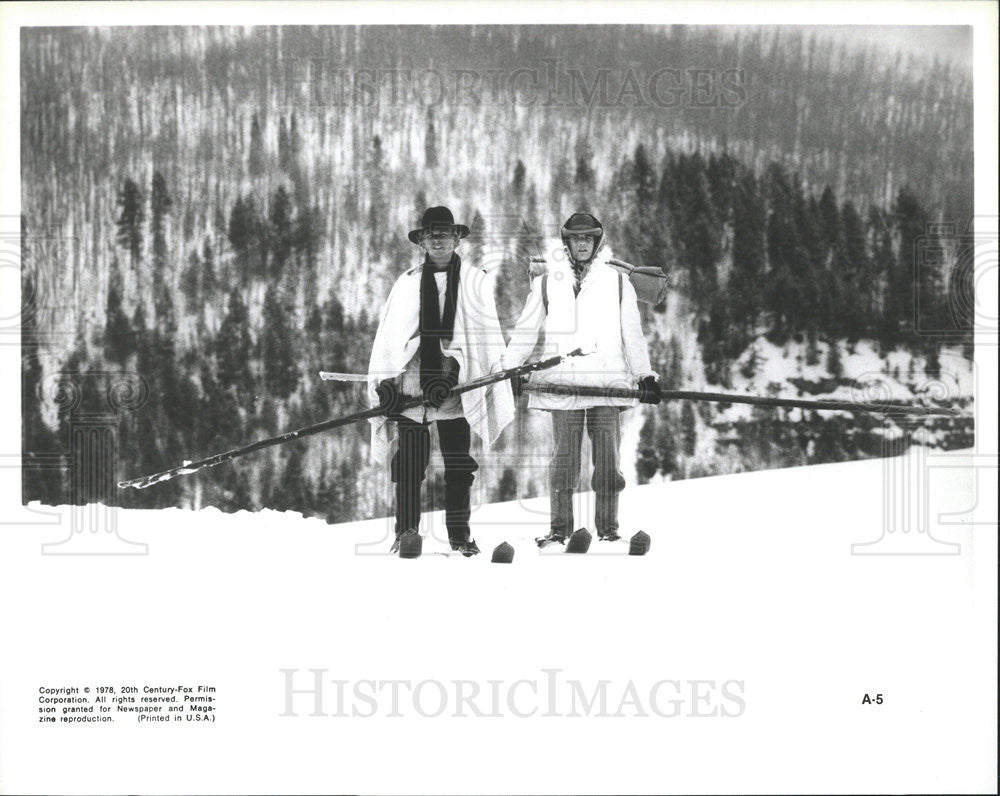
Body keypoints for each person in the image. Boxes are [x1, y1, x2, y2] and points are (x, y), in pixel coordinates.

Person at [501, 212, 662, 546]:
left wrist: (644, 375)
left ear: (597, 242)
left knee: (607, 461)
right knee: (564, 461)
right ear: (568, 243)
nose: (583, 244)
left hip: (605, 384)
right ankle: (559, 530)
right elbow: (526, 331)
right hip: (563, 384)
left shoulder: (618, 282)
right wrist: (511, 370)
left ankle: (608, 529)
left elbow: (632, 334)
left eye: (589, 238)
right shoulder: (546, 282)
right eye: (577, 239)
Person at [367, 206, 514, 558]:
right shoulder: (406, 283)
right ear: (421, 242)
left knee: (459, 467)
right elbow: (389, 341)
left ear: (457, 239)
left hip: (457, 391)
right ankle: (406, 533)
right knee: (409, 466)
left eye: (444, 233)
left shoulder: (474, 282)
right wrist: (385, 385)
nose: (438, 239)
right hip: (412, 390)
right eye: (431, 234)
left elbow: (484, 340)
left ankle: (460, 537)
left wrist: (451, 376)